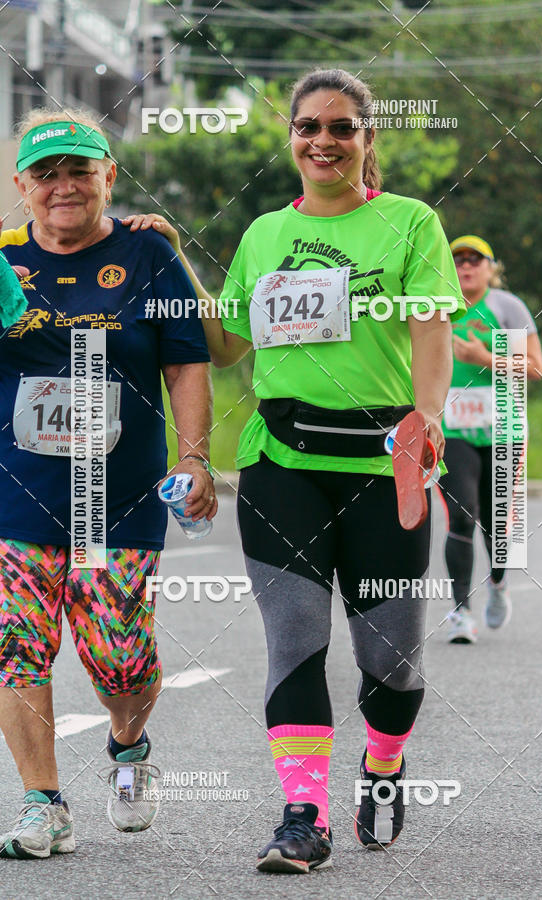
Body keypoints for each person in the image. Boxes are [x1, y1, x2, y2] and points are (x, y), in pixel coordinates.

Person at [127, 67, 465, 872]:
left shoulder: (410, 223)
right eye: (308, 126)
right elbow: (226, 343)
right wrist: (175, 259)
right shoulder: (264, 236)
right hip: (283, 466)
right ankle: (302, 816)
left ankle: (383, 763)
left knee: (392, 662)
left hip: (388, 467)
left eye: (341, 127)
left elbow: (429, 331)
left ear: (366, 138)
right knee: (295, 644)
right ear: (291, 139)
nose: (323, 140)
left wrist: (427, 417)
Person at [0, 108, 215, 859]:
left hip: (115, 498)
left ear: (108, 178)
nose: (64, 186)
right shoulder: (1, 261)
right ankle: (42, 802)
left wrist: (193, 458)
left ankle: (128, 747)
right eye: (47, 174)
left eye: (79, 170)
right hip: (15, 494)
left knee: (119, 658)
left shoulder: (149, 254)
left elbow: (188, 360)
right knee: (16, 645)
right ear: (23, 185)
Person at [439, 235, 542, 644]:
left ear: (490, 267)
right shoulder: (437, 306)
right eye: (457, 259)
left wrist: (484, 358)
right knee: (461, 513)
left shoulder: (505, 307)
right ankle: (460, 612)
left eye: (474, 259)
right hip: (453, 429)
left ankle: (498, 585)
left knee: (499, 524)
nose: (465, 266)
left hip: (504, 428)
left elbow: (534, 368)